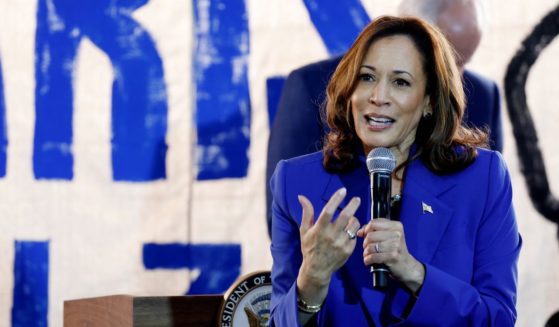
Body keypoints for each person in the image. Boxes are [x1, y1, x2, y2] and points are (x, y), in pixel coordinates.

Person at [269, 16, 521, 326]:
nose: (379, 97)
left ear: (429, 100)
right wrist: (312, 280)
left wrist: (414, 272)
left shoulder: (482, 179)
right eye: (367, 77)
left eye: (400, 82)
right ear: (349, 90)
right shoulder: (296, 182)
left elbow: (498, 319)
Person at [265, 0, 503, 238]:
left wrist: (414, 267)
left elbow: (484, 232)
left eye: (463, 62)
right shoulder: (308, 85)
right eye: (449, 61)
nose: (456, 80)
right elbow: (286, 216)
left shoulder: (483, 95)